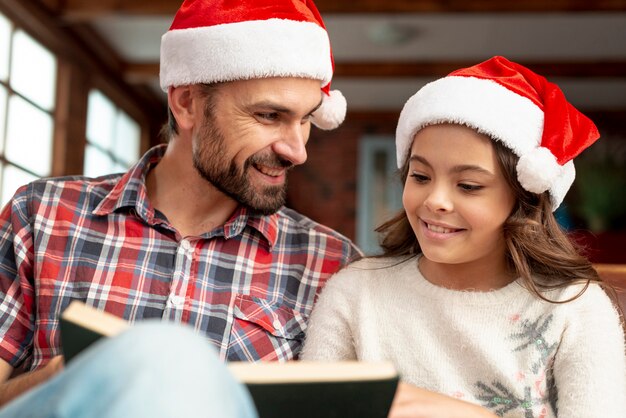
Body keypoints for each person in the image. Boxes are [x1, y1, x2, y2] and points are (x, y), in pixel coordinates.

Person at [0, 0, 361, 415]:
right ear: (187, 103)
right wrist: (89, 379)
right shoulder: (41, 216)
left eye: (306, 119)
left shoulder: (332, 266)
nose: (297, 150)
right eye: (268, 115)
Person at [302, 56, 626, 417]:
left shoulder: (576, 308)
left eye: (468, 186)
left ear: (524, 201)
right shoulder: (354, 293)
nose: (435, 201)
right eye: (420, 176)